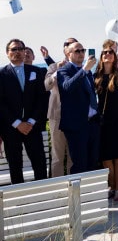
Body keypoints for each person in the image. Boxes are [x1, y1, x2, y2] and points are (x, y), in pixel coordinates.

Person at [0, 39, 48, 184]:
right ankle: (20, 200)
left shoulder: (35, 71)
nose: (18, 52)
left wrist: (31, 121)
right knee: (15, 165)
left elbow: (41, 98)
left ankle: (43, 196)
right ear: (7, 53)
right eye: (14, 49)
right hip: (11, 128)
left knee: (39, 163)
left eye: (20, 49)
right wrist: (17, 123)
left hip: (32, 126)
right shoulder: (2, 74)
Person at [94, 34, 118, 200]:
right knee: (106, 158)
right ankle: (111, 185)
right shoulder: (96, 76)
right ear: (101, 57)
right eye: (104, 53)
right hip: (102, 120)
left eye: (110, 52)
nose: (107, 54)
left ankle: (117, 188)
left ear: (114, 56)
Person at [57, 42, 100, 174]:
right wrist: (84, 69)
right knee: (80, 163)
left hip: (92, 122)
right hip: (76, 125)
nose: (81, 53)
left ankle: (92, 193)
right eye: (77, 51)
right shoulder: (64, 70)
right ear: (68, 54)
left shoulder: (86, 72)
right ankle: (79, 193)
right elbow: (67, 87)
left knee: (93, 161)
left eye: (83, 50)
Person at [45, 38, 77, 177]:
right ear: (64, 49)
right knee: (57, 156)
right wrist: (57, 70)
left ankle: (74, 185)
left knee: (73, 155)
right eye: (67, 44)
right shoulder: (53, 66)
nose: (69, 46)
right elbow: (47, 85)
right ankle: (56, 188)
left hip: (75, 115)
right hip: (57, 115)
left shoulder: (80, 66)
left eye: (73, 44)